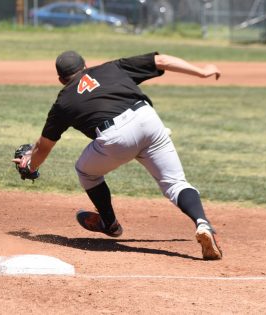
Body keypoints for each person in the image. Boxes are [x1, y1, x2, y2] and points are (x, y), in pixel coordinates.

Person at [14, 50, 223, 260]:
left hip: (116, 137)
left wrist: (30, 166)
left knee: (85, 171)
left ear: (61, 79)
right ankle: (202, 223)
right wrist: (202, 72)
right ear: (85, 66)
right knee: (176, 183)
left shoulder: (63, 102)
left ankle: (110, 223)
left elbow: (44, 146)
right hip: (148, 119)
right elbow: (162, 60)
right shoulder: (110, 68)